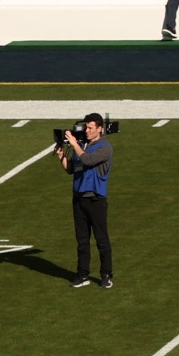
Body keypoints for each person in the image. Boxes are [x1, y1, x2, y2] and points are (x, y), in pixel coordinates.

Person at [58, 112, 114, 289]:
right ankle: (82, 274)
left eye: (90, 128)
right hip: (79, 199)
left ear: (99, 129)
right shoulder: (81, 146)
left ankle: (106, 274)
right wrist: (61, 156)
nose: (87, 131)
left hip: (96, 200)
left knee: (101, 240)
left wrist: (74, 144)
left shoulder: (105, 148)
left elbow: (88, 160)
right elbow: (72, 169)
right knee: (82, 240)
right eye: (86, 127)